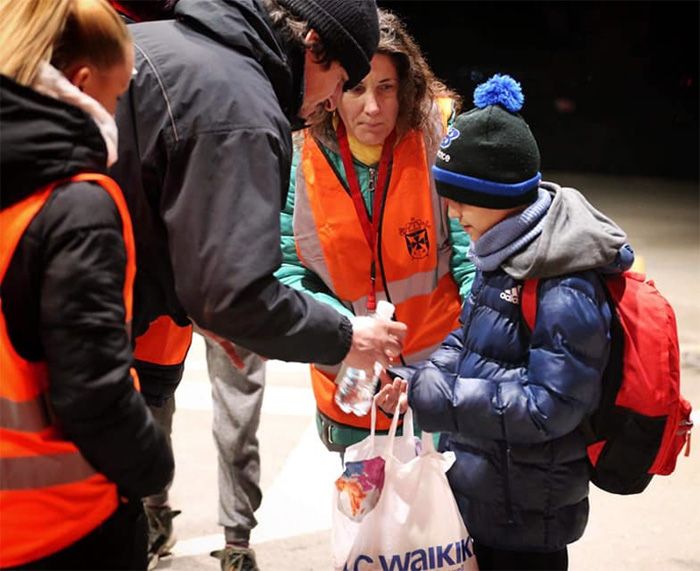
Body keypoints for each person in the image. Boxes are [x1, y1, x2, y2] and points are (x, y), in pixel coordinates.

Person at [109, 1, 407, 569]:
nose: (328, 103)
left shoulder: (168, 43)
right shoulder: (238, 102)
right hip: (68, 346)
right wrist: (348, 335)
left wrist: (197, 302)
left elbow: (152, 208)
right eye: (341, 81)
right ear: (312, 45)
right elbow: (234, 295)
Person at [378, 74, 636, 570]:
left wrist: (439, 399)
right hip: (485, 493)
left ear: (500, 197)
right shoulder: (503, 253)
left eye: (460, 199)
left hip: (527, 518)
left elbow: (549, 405)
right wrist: (414, 382)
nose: (451, 213)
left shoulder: (563, 278)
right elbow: (468, 341)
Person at [0, 0, 174, 569]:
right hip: (64, 525)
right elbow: (93, 397)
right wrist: (153, 466)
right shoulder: (77, 206)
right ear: (81, 82)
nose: (118, 112)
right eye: (119, 96)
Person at [275, 8, 476, 452]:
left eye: (386, 88)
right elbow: (287, 271)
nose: (373, 107)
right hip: (351, 379)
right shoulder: (298, 154)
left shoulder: (438, 138)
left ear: (405, 88)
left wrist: (450, 363)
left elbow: (474, 258)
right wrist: (349, 331)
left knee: (448, 516)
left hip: (440, 377)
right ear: (331, 91)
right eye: (357, 88)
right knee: (363, 514)